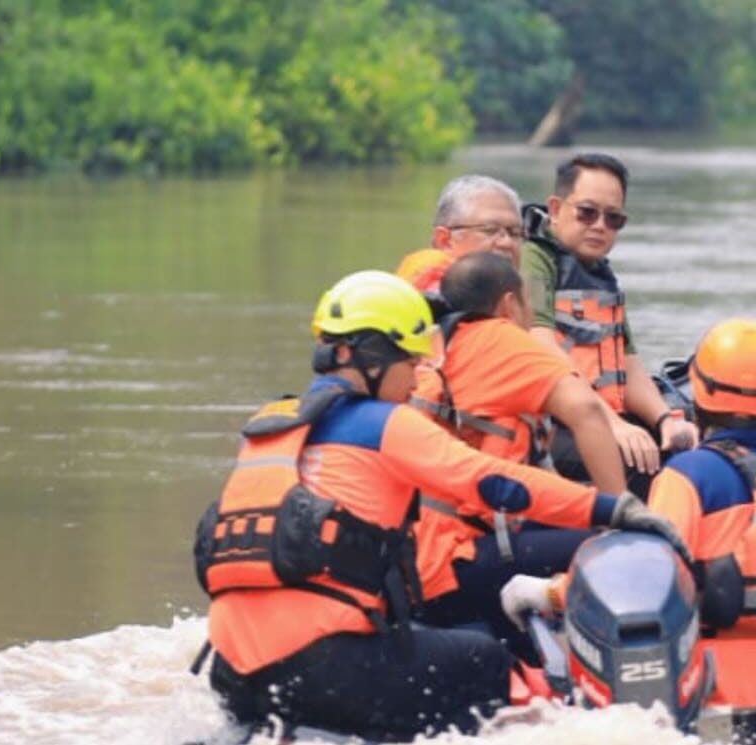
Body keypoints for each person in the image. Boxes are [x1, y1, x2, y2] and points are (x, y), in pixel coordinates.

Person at [194, 270, 686, 742]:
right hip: (323, 665)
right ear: (371, 357)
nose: (415, 380)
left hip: (234, 675)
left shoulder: (270, 427)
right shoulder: (384, 424)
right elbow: (492, 483)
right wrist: (609, 509)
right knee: (486, 661)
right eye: (410, 363)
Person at [503, 319, 756, 711]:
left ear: (698, 388)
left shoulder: (687, 476)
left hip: (719, 684)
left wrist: (547, 592)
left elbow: (641, 582)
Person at [409, 251, 627, 657]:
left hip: (417, 562)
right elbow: (588, 413)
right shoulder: (501, 339)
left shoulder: (436, 345)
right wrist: (620, 516)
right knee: (618, 547)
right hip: (457, 560)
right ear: (510, 303)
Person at [520, 153, 698, 493]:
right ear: (556, 209)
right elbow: (540, 347)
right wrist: (610, 425)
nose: (600, 226)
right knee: (644, 467)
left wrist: (665, 419)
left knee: (693, 447)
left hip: (598, 417)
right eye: (587, 213)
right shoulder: (533, 260)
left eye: (613, 218)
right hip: (551, 424)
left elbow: (627, 362)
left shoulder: (601, 273)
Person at [397, 174, 525, 292]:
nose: (507, 242)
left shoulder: (506, 299)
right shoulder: (433, 300)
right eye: (490, 230)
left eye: (515, 233)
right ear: (445, 241)